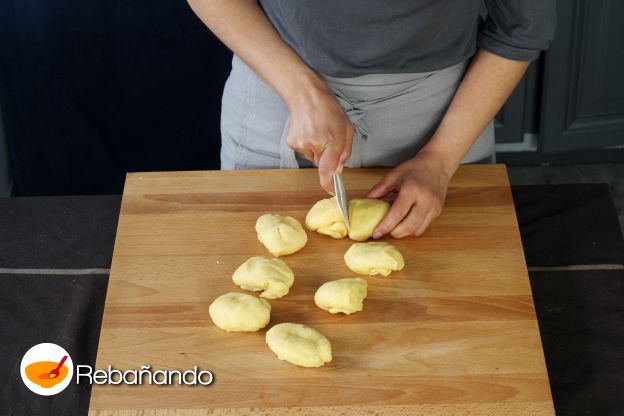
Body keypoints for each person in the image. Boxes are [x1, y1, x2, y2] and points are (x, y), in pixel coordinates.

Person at [188, 0, 556, 238]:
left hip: (444, 118)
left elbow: (523, 26)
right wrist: (302, 93)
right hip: (275, 93)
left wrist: (440, 160)